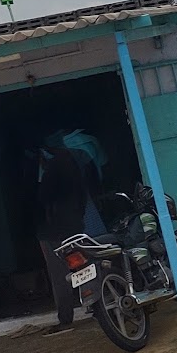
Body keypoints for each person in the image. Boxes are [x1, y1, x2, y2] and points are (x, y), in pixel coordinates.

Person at [32, 131, 106, 331]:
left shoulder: (50, 166)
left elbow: (44, 197)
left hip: (54, 229)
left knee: (59, 273)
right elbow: (86, 192)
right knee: (89, 264)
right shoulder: (78, 160)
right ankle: (99, 308)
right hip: (77, 223)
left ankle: (65, 319)